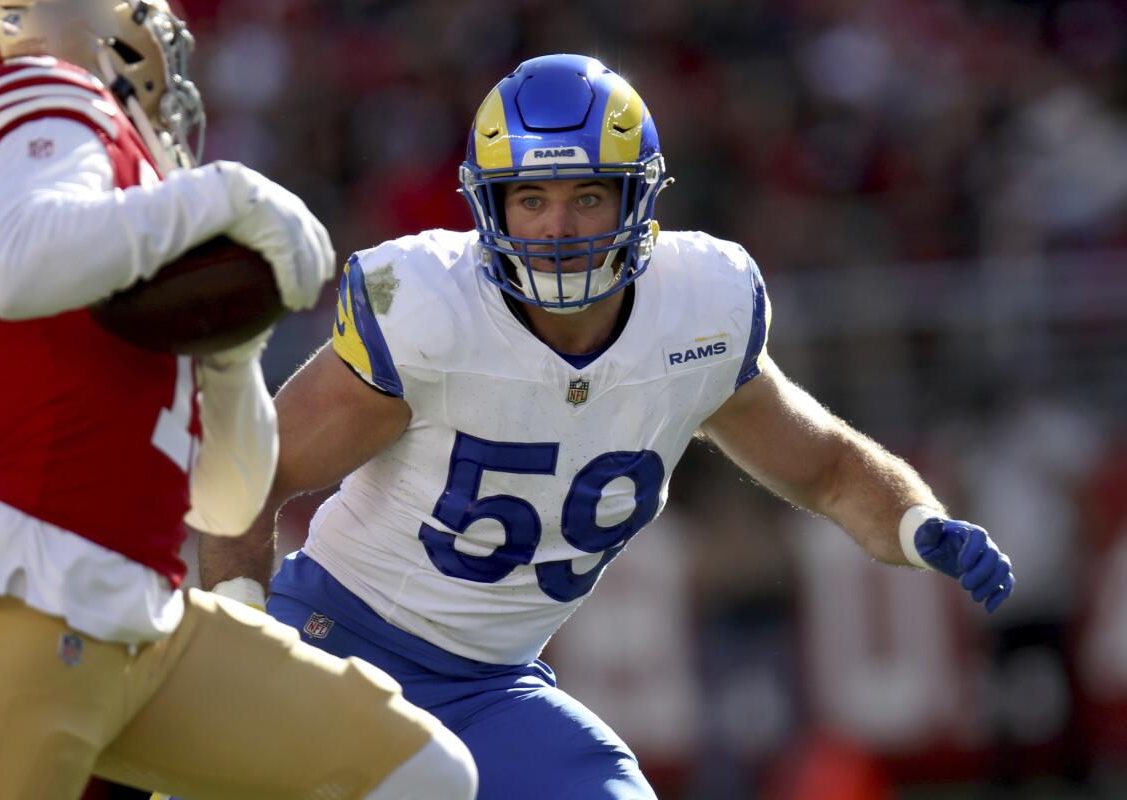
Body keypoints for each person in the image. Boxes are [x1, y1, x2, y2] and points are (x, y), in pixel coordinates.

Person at [202, 53, 1016, 799]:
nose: (557, 228)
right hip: (336, 644)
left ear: (638, 199)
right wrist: (242, 643)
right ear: (491, 206)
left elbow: (830, 471)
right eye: (531, 198)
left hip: (492, 688)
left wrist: (916, 522)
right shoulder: (429, 313)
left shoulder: (699, 312)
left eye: (587, 195)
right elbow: (252, 470)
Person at [0, 2, 476, 799]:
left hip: (144, 617)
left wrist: (230, 349)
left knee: (413, 775)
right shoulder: (43, 96)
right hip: (30, 596)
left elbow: (225, 502)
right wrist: (230, 195)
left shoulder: (133, 231)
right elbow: (15, 266)